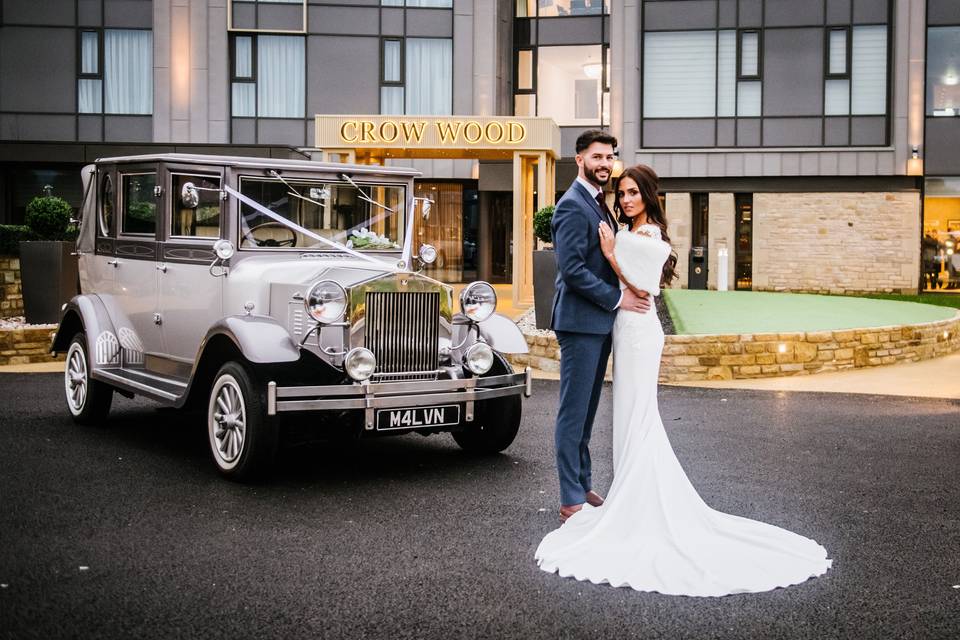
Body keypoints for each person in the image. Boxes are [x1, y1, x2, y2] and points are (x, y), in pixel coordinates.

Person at [535, 164, 832, 597]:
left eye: (634, 193)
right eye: (622, 193)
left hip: (638, 333)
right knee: (629, 414)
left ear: (649, 196)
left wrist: (613, 254)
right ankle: (626, 494)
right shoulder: (631, 226)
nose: (626, 199)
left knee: (638, 414)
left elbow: (645, 287)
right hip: (625, 328)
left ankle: (639, 501)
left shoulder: (649, 233)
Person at [549, 130, 652, 523]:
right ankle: (569, 497)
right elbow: (572, 270)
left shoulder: (600, 204)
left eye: (609, 157)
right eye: (597, 157)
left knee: (588, 411)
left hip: (598, 323)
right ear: (579, 159)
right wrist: (618, 298)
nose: (605, 164)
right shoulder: (573, 206)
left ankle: (583, 482)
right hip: (579, 324)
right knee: (573, 411)